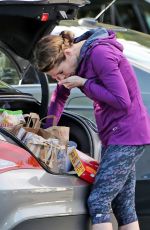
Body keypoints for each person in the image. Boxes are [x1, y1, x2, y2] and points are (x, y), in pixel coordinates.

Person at [34, 27, 150, 230]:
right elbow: (59, 96)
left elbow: (122, 101)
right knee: (123, 205)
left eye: (61, 73)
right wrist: (47, 132)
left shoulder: (100, 54)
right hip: (115, 136)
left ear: (68, 53)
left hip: (127, 134)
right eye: (56, 77)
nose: (61, 79)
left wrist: (84, 83)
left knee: (98, 202)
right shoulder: (74, 61)